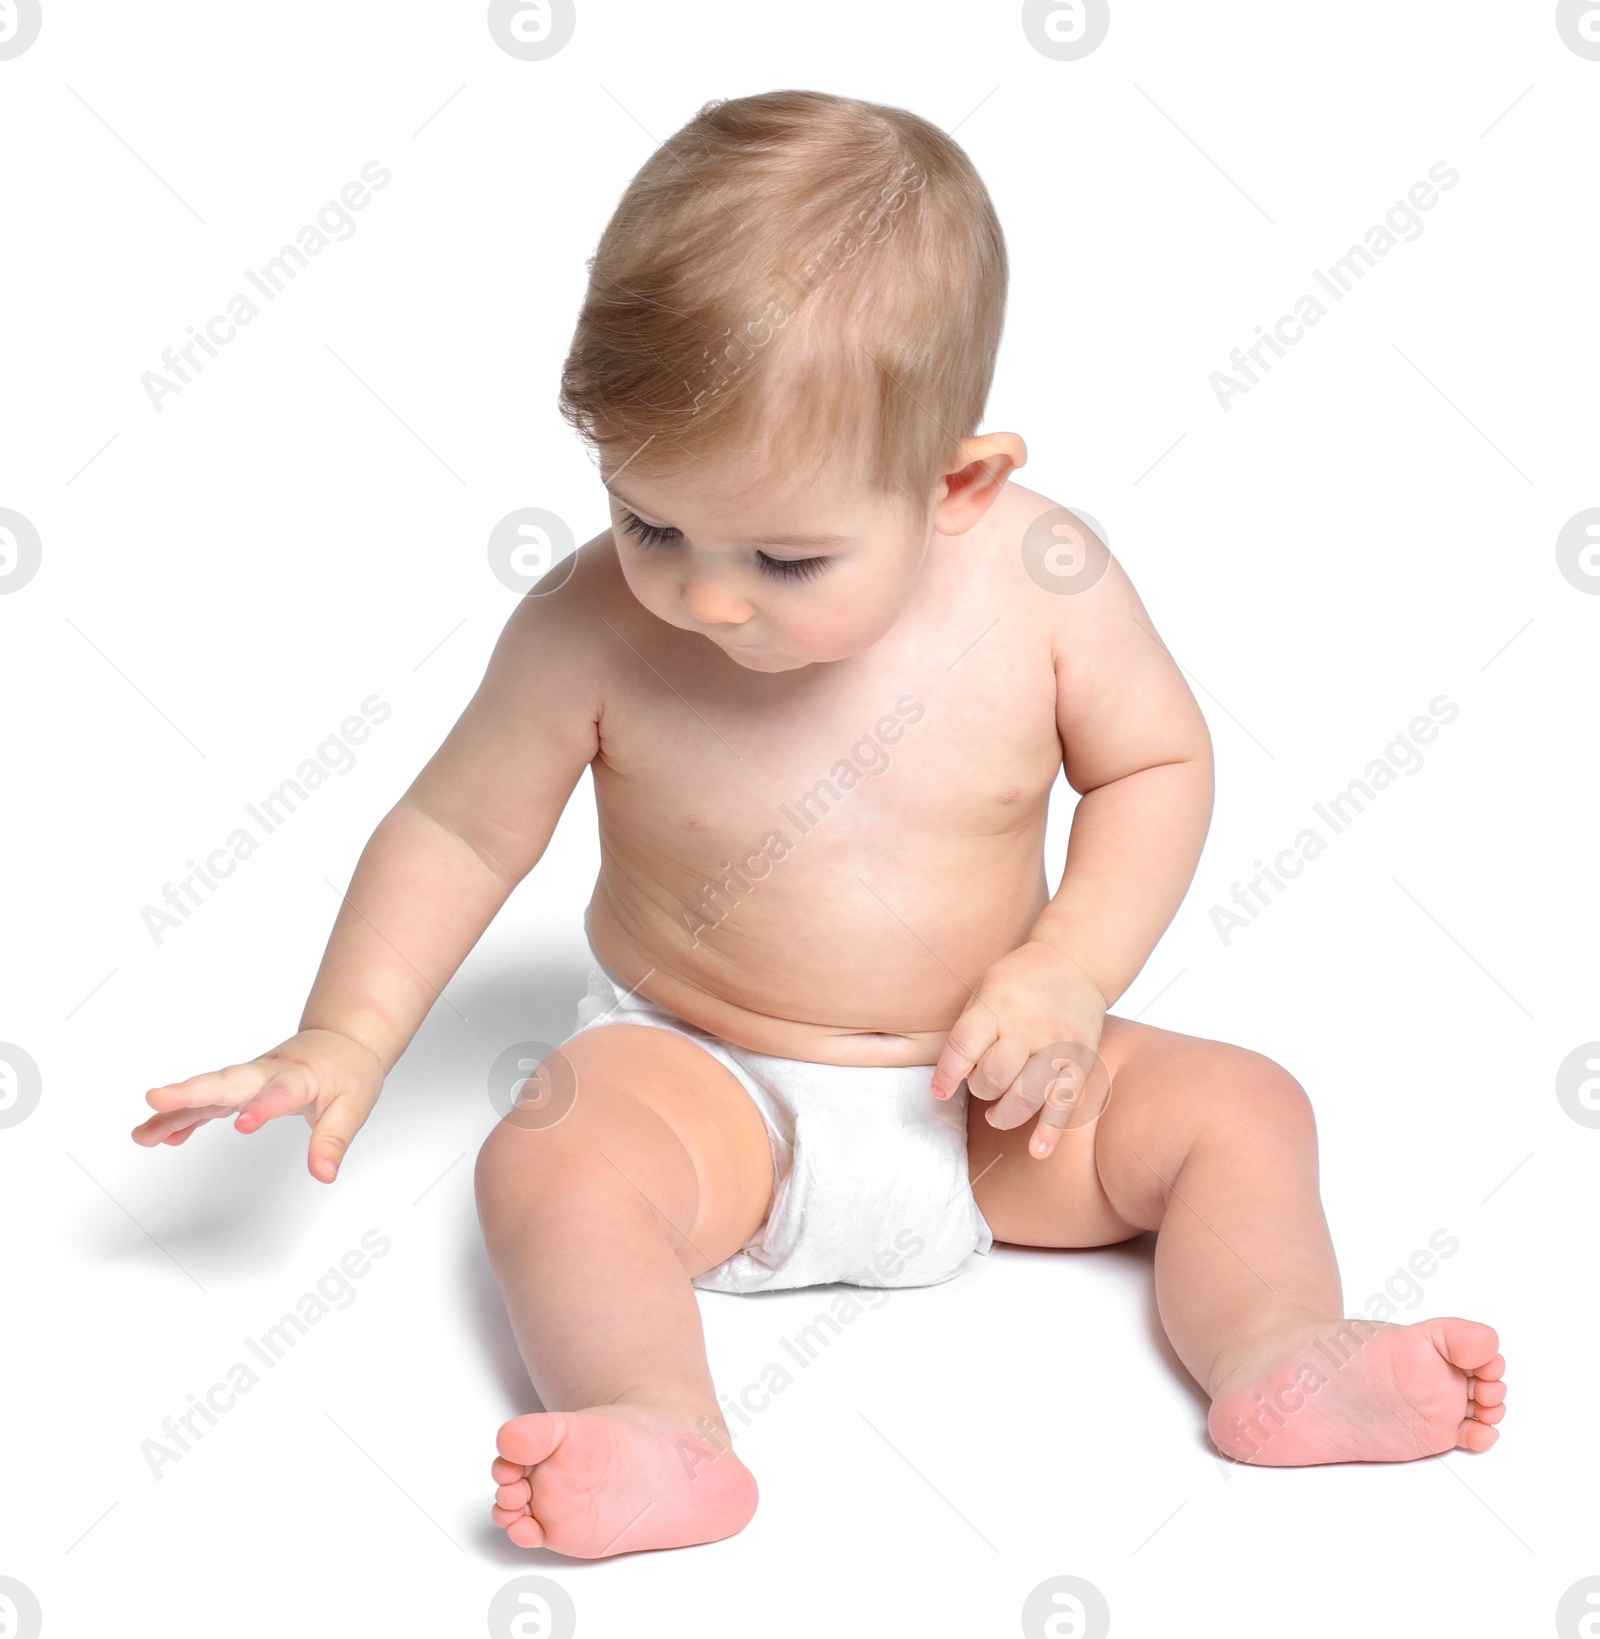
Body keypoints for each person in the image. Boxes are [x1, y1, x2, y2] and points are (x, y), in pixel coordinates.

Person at [132, 89, 1505, 1560]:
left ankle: (1281, 1351)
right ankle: (659, 1423)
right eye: (653, 522)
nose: (707, 596)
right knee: (550, 1152)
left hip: (993, 1099)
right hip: (713, 1088)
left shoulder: (1044, 583)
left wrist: (1069, 970)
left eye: (788, 555)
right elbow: (460, 834)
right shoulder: (588, 627)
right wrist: (344, 1036)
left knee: (1245, 1108)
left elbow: (1154, 769)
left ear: (958, 484)